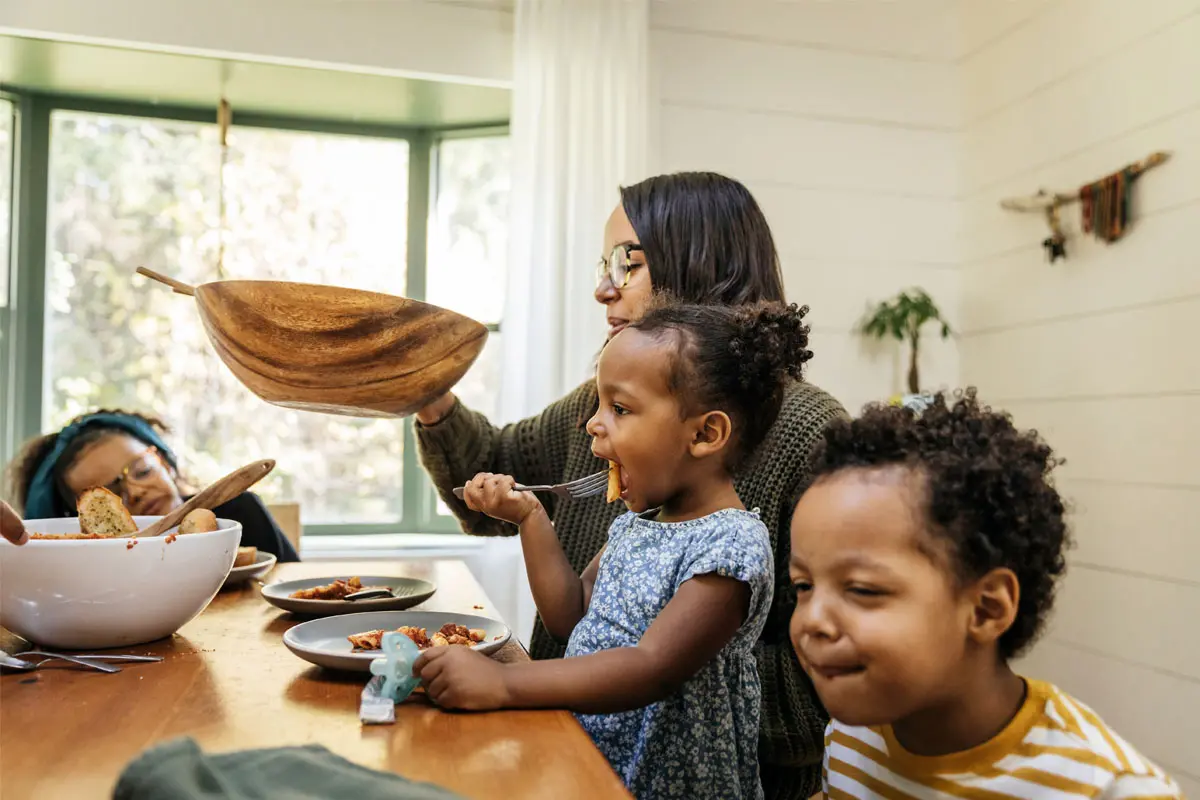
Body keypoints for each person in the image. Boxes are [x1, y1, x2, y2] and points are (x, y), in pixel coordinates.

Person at [416, 171, 846, 798]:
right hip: (574, 750)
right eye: (604, 263)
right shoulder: (608, 418)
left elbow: (826, 663)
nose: (602, 287)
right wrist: (425, 390)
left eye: (627, 263)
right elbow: (499, 475)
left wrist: (676, 689)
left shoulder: (811, 434)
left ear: (701, 266)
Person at [788, 390, 1182, 798]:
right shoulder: (853, 737)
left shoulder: (1109, 789)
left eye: (862, 589)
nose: (812, 620)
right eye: (804, 585)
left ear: (986, 608)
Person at [6, 410, 299, 561]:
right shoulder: (87, 565)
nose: (134, 491)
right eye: (111, 496)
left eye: (142, 470)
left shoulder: (238, 512)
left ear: (166, 463)